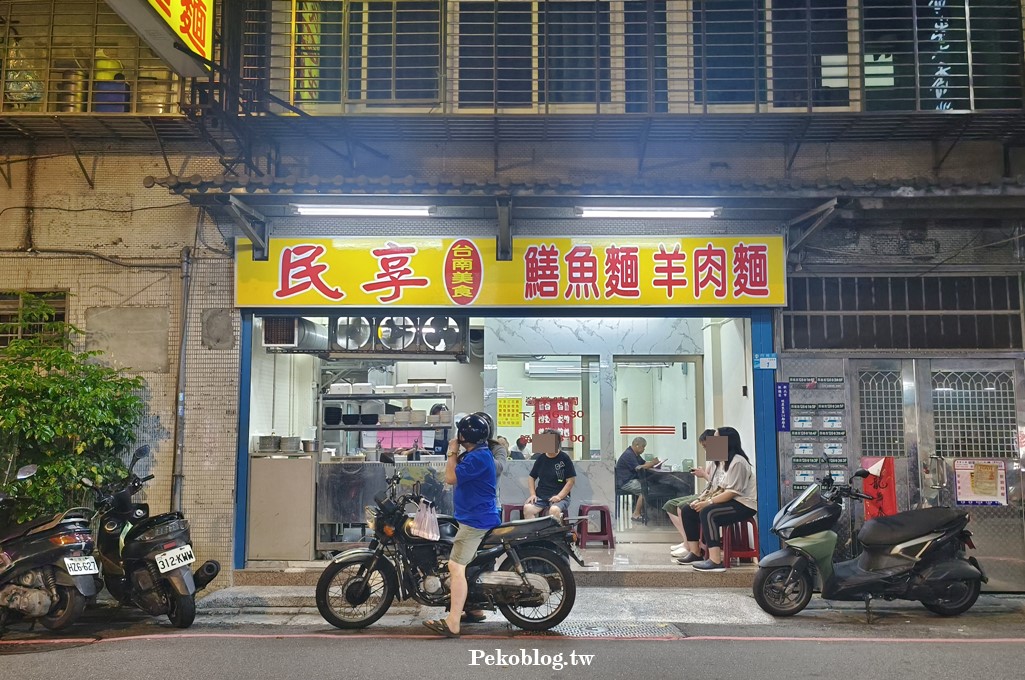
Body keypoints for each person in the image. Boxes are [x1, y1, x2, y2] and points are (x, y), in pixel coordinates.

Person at [422, 412, 500, 638]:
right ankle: (471, 609)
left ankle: (453, 622)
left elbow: (450, 477)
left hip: (476, 520)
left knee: (455, 567)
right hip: (473, 516)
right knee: (463, 565)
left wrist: (452, 450)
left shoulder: (477, 457)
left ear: (465, 435)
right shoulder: (478, 454)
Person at [675, 426, 757, 573]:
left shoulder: (738, 462)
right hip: (726, 500)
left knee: (708, 512)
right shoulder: (717, 461)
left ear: (727, 441)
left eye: (716, 438)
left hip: (743, 504)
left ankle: (715, 560)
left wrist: (708, 502)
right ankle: (696, 553)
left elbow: (732, 492)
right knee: (688, 510)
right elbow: (712, 486)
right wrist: (700, 499)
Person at [664, 429, 721, 557]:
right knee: (669, 505)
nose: (705, 449)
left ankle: (690, 546)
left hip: (712, 494)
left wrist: (704, 475)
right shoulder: (713, 459)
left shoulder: (726, 460)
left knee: (682, 508)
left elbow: (718, 485)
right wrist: (703, 473)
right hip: (707, 493)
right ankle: (687, 542)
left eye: (706, 446)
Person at [523, 429, 576, 522]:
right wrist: (532, 494)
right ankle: (535, 535)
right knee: (528, 508)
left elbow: (571, 481)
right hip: (541, 496)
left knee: (554, 510)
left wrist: (559, 496)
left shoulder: (564, 458)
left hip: (560, 497)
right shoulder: (540, 458)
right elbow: (531, 477)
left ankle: (554, 535)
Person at [615, 436, 661, 521]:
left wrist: (654, 463)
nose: (644, 449)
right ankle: (636, 514)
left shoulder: (635, 454)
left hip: (631, 480)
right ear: (637, 445)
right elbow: (639, 467)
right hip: (626, 482)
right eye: (643, 447)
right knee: (644, 489)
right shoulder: (629, 454)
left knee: (648, 484)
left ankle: (644, 511)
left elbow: (644, 463)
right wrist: (652, 463)